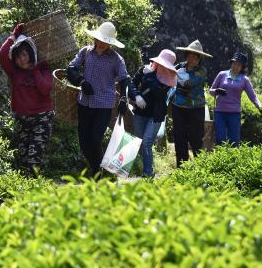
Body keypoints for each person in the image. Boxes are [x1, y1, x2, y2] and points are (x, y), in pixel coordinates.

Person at [67, 21, 129, 176]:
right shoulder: (86, 52)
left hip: (104, 105)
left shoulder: (116, 59)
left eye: (106, 41)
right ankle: (96, 168)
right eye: (101, 40)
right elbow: (71, 68)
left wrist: (123, 99)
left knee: (95, 138)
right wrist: (81, 81)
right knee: (83, 141)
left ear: (110, 43)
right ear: (96, 38)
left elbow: (124, 79)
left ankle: (98, 173)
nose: (102, 43)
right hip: (84, 102)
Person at [0, 23, 54, 175]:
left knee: (33, 158)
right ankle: (26, 191)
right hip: (22, 119)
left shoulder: (43, 69)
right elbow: (2, 54)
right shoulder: (14, 72)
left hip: (42, 118)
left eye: (24, 55)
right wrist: (14, 34)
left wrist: (35, 70)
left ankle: (34, 192)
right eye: (17, 57)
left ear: (30, 53)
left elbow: (45, 89)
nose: (21, 60)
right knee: (23, 157)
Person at [127, 48, 177, 177]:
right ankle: (141, 167)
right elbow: (132, 83)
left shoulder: (170, 78)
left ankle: (147, 173)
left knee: (146, 142)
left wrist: (147, 76)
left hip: (156, 115)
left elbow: (159, 92)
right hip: (140, 112)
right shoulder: (145, 69)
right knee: (139, 141)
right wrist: (137, 96)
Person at [208, 51, 262, 147]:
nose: (235, 66)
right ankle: (220, 161)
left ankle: (233, 161)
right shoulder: (222, 74)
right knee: (220, 139)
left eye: (239, 65)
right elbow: (211, 91)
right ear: (231, 63)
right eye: (234, 63)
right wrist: (217, 91)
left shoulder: (244, 79)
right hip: (220, 112)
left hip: (234, 113)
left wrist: (259, 106)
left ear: (242, 67)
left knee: (234, 141)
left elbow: (252, 96)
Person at [171, 40, 211, 166]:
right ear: (186, 55)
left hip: (196, 108)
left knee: (196, 136)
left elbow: (191, 82)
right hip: (178, 107)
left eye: (195, 55)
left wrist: (180, 79)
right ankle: (182, 166)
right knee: (179, 136)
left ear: (199, 58)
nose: (192, 57)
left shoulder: (202, 71)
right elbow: (169, 78)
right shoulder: (178, 67)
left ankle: (200, 166)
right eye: (190, 54)